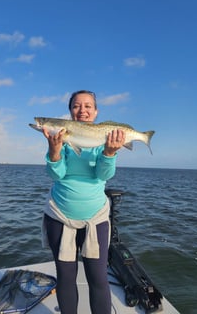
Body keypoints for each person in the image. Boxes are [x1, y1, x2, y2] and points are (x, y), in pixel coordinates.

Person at [42, 90, 126, 314]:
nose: (83, 110)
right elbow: (56, 175)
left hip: (95, 220)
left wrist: (109, 153)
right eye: (77, 106)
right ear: (70, 112)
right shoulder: (63, 137)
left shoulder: (102, 138)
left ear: (96, 112)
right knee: (66, 278)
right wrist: (54, 150)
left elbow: (103, 175)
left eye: (88, 106)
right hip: (59, 217)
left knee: (98, 279)